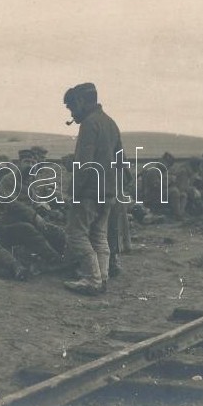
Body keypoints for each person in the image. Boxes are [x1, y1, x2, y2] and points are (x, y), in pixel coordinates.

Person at [60, 82, 123, 296]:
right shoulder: (111, 123)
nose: (71, 112)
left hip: (89, 192)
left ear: (81, 102)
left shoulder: (89, 124)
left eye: (71, 106)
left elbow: (85, 165)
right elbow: (118, 159)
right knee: (99, 235)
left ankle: (91, 280)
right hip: (108, 192)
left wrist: (73, 193)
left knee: (76, 234)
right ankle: (102, 278)